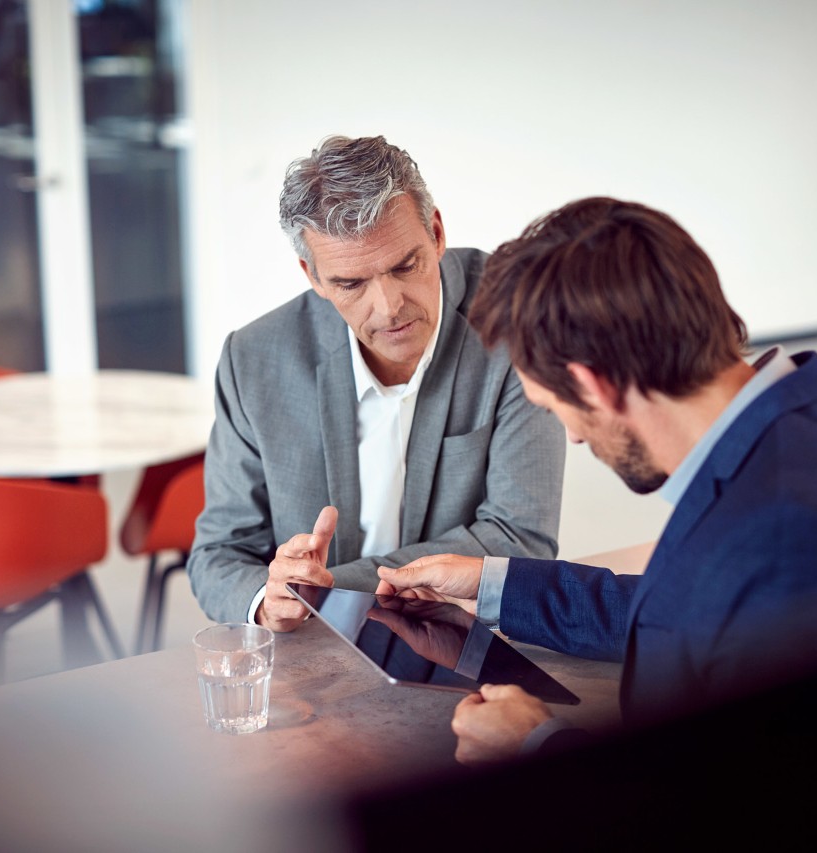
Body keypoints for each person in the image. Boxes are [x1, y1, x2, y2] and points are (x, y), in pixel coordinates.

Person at [375, 195, 817, 765]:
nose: (574, 438)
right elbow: (702, 614)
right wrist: (489, 583)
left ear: (595, 385)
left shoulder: (783, 539)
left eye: (555, 407)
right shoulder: (796, 425)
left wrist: (539, 747)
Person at [186, 135, 566, 632]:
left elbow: (521, 538)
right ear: (314, 276)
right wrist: (269, 597)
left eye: (405, 266)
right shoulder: (254, 359)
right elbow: (219, 553)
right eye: (351, 284)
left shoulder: (519, 321)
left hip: (464, 639)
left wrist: (326, 590)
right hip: (310, 658)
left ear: (435, 232)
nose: (389, 307)